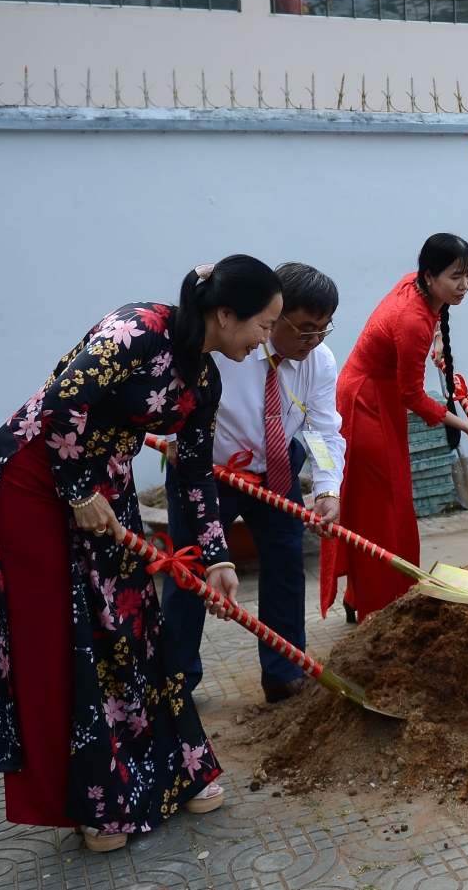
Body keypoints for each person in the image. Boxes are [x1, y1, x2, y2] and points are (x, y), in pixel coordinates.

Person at [0, 256, 283, 851]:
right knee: (71, 631)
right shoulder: (136, 328)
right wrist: (76, 490)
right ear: (225, 314)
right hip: (35, 478)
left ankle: (178, 771)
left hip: (102, 482)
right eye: (263, 326)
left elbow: (193, 473)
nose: (267, 342)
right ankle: (96, 800)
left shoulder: (204, 380)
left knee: (132, 620)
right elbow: (61, 403)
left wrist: (214, 558)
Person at [161, 263, 345, 704]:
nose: (314, 340)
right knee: (189, 568)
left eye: (323, 329)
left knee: (285, 562)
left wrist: (326, 488)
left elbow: (321, 431)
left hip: (276, 470)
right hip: (208, 473)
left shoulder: (318, 361)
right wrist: (173, 439)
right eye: (304, 329)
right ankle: (174, 677)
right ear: (273, 314)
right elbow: (176, 395)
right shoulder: (230, 346)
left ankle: (283, 669)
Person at [325, 234, 468, 621]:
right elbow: (413, 397)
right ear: (430, 276)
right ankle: (378, 609)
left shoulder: (412, 284)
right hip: (367, 405)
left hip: (374, 395)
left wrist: (435, 341)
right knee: (380, 515)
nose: (464, 285)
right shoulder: (412, 320)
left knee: (386, 507)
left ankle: (363, 596)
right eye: (456, 277)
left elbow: (424, 327)